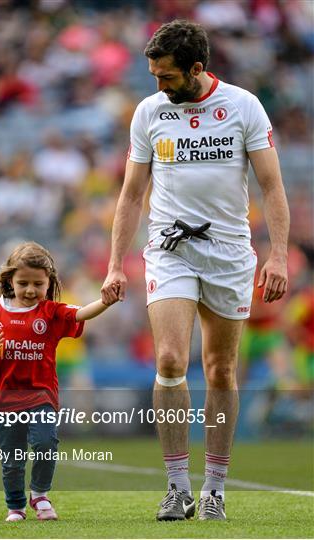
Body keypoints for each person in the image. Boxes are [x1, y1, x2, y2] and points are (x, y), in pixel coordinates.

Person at [101, 20, 289, 521]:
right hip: (170, 249)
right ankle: (177, 485)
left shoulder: (244, 106)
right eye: (153, 75)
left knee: (221, 369)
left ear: (197, 69)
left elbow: (271, 187)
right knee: (168, 360)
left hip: (229, 254)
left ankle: (215, 489)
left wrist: (278, 255)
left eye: (165, 77)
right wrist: (116, 263)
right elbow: (132, 194)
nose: (157, 85)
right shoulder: (149, 112)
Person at [0, 241, 118, 523]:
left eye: (38, 284)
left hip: (41, 394)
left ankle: (40, 495)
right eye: (23, 283)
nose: (30, 290)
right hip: (4, 397)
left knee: (46, 442)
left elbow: (79, 313)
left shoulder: (51, 312)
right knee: (12, 458)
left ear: (49, 283)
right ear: (10, 281)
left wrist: (105, 301)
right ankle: (15, 506)